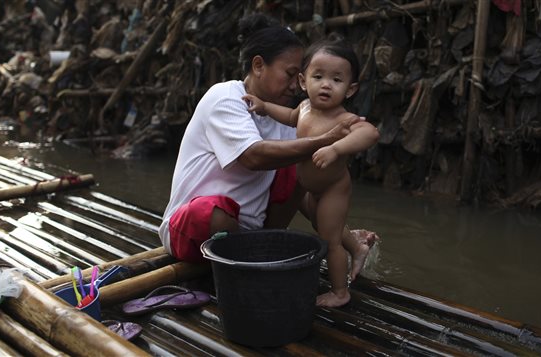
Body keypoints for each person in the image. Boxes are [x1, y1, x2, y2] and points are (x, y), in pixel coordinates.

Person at [158, 14, 378, 295]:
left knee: (300, 167)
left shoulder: (286, 120)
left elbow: (306, 192)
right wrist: (327, 140)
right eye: (289, 74)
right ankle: (261, 256)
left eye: (298, 77)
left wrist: (345, 239)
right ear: (259, 65)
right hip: (191, 231)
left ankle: (260, 251)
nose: (295, 85)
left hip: (250, 236)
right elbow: (254, 156)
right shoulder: (226, 96)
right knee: (213, 212)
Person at [242, 37, 380, 307]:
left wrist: (337, 149)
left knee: (329, 240)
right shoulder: (304, 108)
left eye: (337, 80)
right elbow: (289, 116)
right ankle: (359, 247)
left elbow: (370, 133)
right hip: (309, 187)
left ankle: (340, 292)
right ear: (304, 82)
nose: (326, 84)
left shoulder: (344, 119)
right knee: (324, 226)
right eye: (319, 76)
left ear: (350, 90)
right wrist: (265, 106)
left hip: (332, 189)